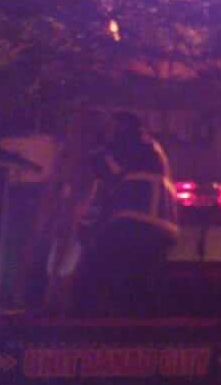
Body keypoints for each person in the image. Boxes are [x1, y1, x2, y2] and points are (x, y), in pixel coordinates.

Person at [75, 112, 180, 316]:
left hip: (138, 221)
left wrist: (92, 151)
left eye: (110, 129)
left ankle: (94, 318)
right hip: (158, 226)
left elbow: (107, 173)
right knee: (140, 281)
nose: (107, 134)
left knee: (102, 267)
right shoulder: (148, 147)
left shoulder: (133, 142)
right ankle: (138, 322)